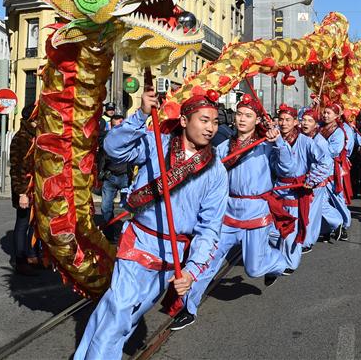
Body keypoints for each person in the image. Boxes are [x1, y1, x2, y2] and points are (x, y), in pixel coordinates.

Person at [74, 90, 228, 359]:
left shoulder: (216, 171)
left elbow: (209, 227)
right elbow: (114, 149)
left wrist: (191, 271)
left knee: (124, 315)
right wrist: (142, 114)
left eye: (214, 122)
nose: (210, 128)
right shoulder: (158, 143)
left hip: (172, 255)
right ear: (183, 120)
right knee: (120, 308)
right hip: (139, 241)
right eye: (204, 120)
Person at [177, 95, 292, 329]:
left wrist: (279, 143)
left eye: (248, 115)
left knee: (254, 268)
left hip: (255, 213)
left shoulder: (266, 146)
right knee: (206, 262)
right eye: (239, 114)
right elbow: (208, 175)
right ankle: (188, 307)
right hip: (227, 214)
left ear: (257, 119)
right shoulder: (222, 147)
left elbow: (288, 168)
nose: (241, 119)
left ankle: (279, 263)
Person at [270, 104, 329, 270]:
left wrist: (311, 179)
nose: (283, 123)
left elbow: (326, 162)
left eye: (288, 120)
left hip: (296, 191)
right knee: (271, 229)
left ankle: (289, 263)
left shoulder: (306, 141)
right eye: (280, 119)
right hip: (276, 190)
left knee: (291, 230)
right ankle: (279, 258)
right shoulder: (273, 139)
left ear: (295, 122)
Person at [299, 108, 340, 250]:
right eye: (303, 119)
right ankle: (329, 227)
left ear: (316, 124)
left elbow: (326, 164)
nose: (305, 123)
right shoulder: (303, 137)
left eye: (309, 120)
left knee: (310, 211)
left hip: (315, 182)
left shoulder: (319, 141)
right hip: (303, 181)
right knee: (311, 210)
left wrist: (312, 179)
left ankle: (307, 242)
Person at [9, 104, 39, 275]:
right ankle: (20, 259)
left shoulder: (39, 136)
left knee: (35, 224)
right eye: (37, 118)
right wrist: (21, 193)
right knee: (22, 224)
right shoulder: (20, 138)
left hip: (38, 190)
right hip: (25, 189)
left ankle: (32, 254)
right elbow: (16, 168)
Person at [319, 104, 352, 241]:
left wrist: (317, 145)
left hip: (332, 169)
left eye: (329, 113)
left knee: (337, 199)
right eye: (324, 112)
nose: (325, 115)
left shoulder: (339, 131)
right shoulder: (320, 127)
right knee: (320, 200)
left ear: (337, 116)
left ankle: (343, 224)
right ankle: (328, 226)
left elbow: (333, 151)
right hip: (319, 168)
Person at [99, 113, 134, 238]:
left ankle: (128, 236)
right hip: (110, 177)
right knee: (106, 208)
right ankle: (109, 234)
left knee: (130, 207)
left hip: (125, 177)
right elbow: (101, 156)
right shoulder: (106, 138)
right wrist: (101, 173)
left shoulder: (130, 137)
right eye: (116, 124)